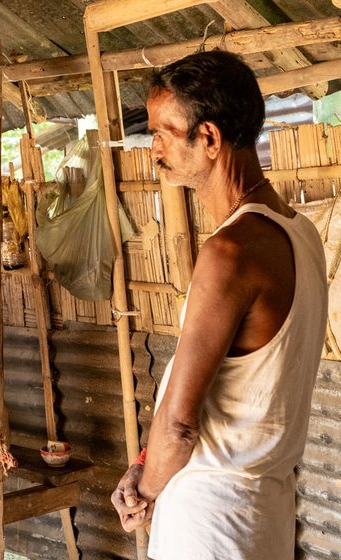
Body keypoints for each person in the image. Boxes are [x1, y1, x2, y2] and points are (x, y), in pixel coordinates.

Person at [111, 51, 328, 559]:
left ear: (207, 138)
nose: (154, 148)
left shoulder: (230, 253)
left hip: (210, 524)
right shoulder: (301, 234)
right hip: (263, 515)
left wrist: (142, 494)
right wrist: (146, 461)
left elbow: (181, 426)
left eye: (163, 132)